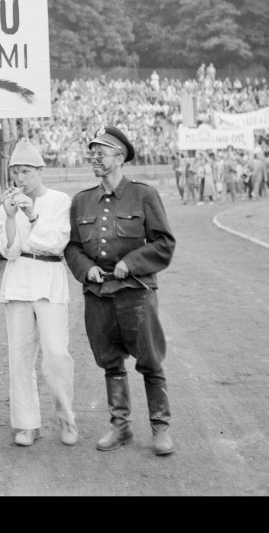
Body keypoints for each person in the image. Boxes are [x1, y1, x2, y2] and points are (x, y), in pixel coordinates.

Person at [65, 126, 177, 456]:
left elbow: (164, 244)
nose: (94, 159)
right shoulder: (82, 200)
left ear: (120, 157)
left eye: (100, 153)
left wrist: (133, 260)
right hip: (99, 295)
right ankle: (121, 426)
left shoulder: (144, 195)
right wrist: (87, 269)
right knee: (111, 362)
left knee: (151, 360)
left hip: (136, 292)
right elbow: (72, 247)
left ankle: (160, 428)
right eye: (92, 154)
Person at [0, 140, 78, 448]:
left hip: (49, 279)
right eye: (16, 172)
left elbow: (56, 243)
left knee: (57, 354)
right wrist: (8, 216)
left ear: (40, 171)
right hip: (19, 280)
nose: (21, 179)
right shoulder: (8, 203)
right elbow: (8, 250)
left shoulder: (59, 200)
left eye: (27, 171)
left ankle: (67, 418)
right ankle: (27, 424)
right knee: (20, 358)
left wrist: (31, 216)